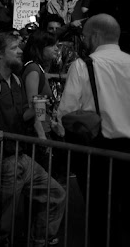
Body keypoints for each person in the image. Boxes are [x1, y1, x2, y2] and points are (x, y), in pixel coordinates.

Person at [0, 32, 66, 247]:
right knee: (2, 221)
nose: (21, 50)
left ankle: (39, 240)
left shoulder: (15, 79)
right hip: (0, 158)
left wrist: (43, 113)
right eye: (14, 48)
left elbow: (25, 114)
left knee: (55, 194)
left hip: (20, 155)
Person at [57, 14, 130, 246]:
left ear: (96, 36)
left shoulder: (82, 66)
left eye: (86, 37)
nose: (85, 41)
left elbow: (66, 113)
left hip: (98, 153)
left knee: (101, 218)